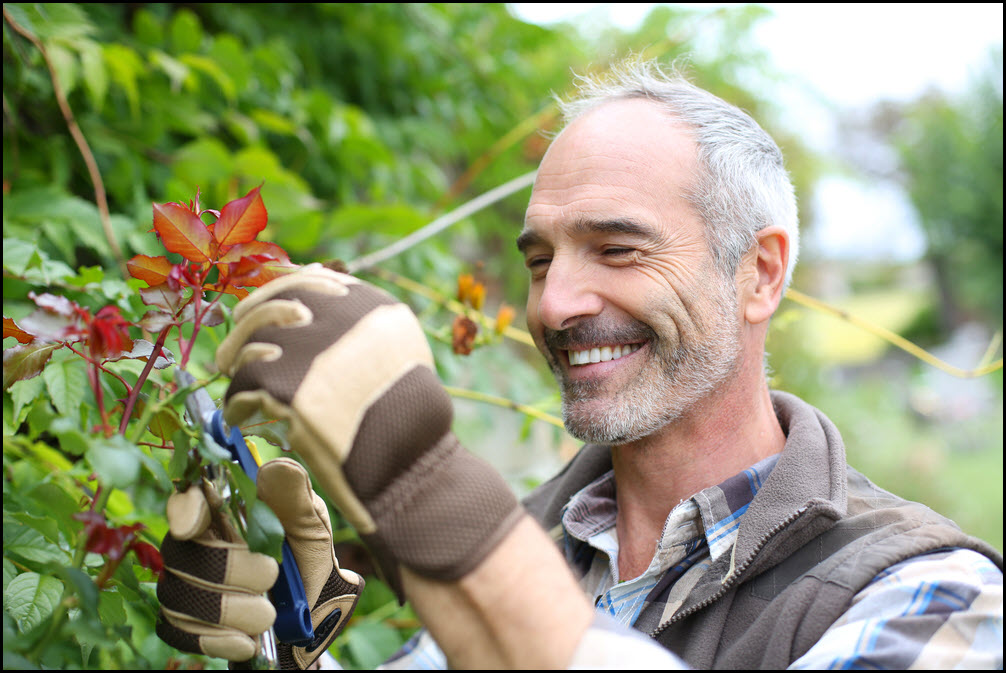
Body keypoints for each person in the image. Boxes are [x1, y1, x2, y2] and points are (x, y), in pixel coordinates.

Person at [154, 59, 1003, 670]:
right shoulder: (541, 551)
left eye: (617, 248)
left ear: (761, 272)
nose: (555, 304)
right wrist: (281, 643)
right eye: (538, 260)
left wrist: (420, 481)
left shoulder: (930, 595)